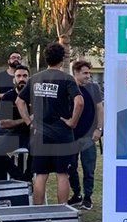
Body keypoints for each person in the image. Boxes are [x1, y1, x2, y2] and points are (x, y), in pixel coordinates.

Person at [17, 43, 83, 205]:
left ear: (46, 58)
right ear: (62, 59)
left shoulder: (35, 79)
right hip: (62, 135)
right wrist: (72, 122)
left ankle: (39, 214)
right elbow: (79, 102)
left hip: (39, 136)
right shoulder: (67, 79)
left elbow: (19, 101)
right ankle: (62, 212)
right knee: (62, 174)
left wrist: (28, 122)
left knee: (40, 175)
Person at [66, 59, 104, 209]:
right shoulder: (68, 87)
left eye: (89, 72)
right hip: (71, 136)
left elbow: (100, 109)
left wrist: (99, 129)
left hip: (89, 136)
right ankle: (77, 195)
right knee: (70, 167)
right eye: (85, 73)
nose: (88, 76)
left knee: (89, 169)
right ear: (75, 73)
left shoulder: (94, 88)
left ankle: (88, 198)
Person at [0, 64, 32, 180]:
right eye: (19, 76)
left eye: (25, 76)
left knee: (39, 148)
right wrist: (26, 119)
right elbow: (3, 123)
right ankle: (19, 177)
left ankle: (28, 177)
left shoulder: (36, 96)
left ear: (29, 79)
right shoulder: (7, 96)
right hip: (16, 134)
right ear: (14, 79)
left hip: (33, 133)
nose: (22, 79)